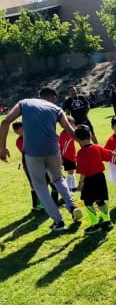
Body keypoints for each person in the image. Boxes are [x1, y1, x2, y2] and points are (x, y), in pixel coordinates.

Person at [0, 87, 82, 230]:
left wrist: (2, 147)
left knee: (40, 187)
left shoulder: (24, 103)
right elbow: (70, 131)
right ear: (54, 98)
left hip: (33, 152)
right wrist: (86, 146)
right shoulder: (57, 109)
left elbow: (5, 122)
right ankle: (72, 206)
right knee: (58, 179)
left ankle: (58, 222)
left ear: (40, 96)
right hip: (53, 149)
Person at [76, 125, 116, 234]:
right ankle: (107, 221)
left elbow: (83, 171)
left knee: (88, 202)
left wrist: (81, 183)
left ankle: (95, 224)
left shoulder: (80, 153)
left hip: (88, 180)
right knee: (100, 200)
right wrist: (114, 154)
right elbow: (107, 156)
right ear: (90, 135)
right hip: (100, 178)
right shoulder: (97, 147)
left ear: (78, 140)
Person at [12, 121, 59, 211]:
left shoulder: (32, 135)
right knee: (34, 185)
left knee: (50, 182)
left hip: (42, 163)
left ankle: (53, 203)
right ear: (16, 131)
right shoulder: (19, 141)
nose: (24, 129)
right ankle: (37, 205)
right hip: (29, 166)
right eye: (21, 128)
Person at [59, 116, 77, 192]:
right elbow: (61, 146)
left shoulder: (72, 132)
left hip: (72, 155)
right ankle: (69, 187)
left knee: (71, 171)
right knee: (70, 171)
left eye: (73, 123)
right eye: (70, 123)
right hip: (67, 156)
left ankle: (72, 186)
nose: (73, 125)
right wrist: (61, 157)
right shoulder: (64, 134)